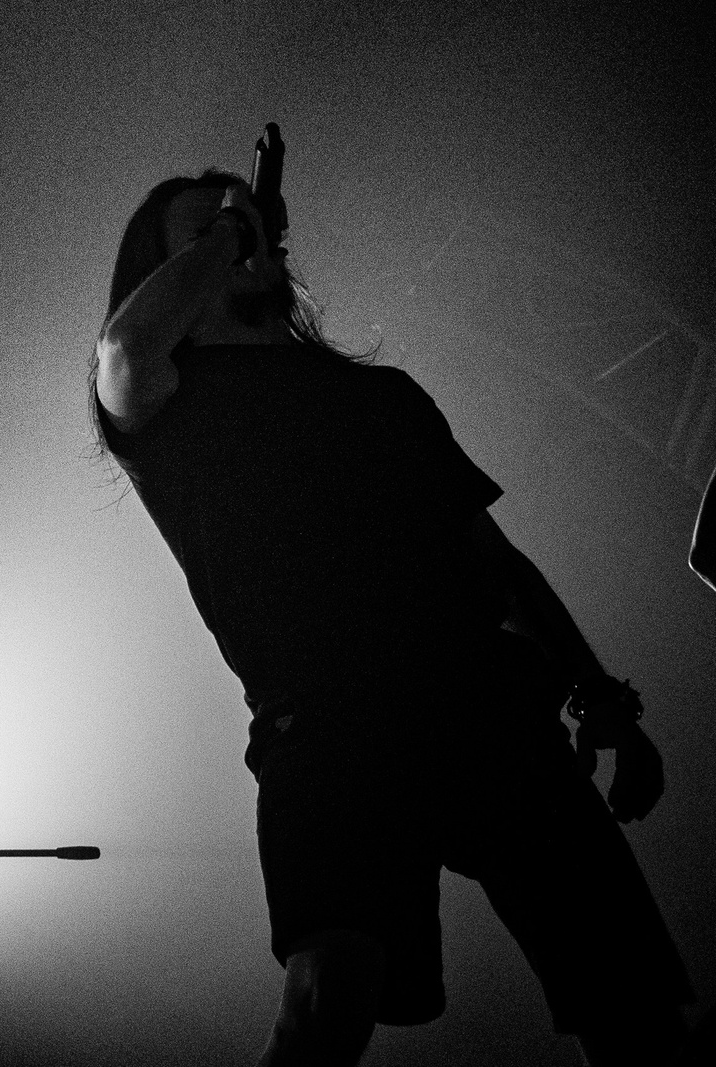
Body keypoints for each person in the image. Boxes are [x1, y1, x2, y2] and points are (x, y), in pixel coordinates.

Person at [92, 166, 692, 1067]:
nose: (243, 231)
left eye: (250, 223)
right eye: (211, 228)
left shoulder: (381, 396)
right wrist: (232, 232)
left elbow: (494, 562)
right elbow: (128, 348)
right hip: (328, 726)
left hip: (484, 698)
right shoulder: (170, 406)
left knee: (632, 1002)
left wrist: (598, 691)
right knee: (328, 1000)